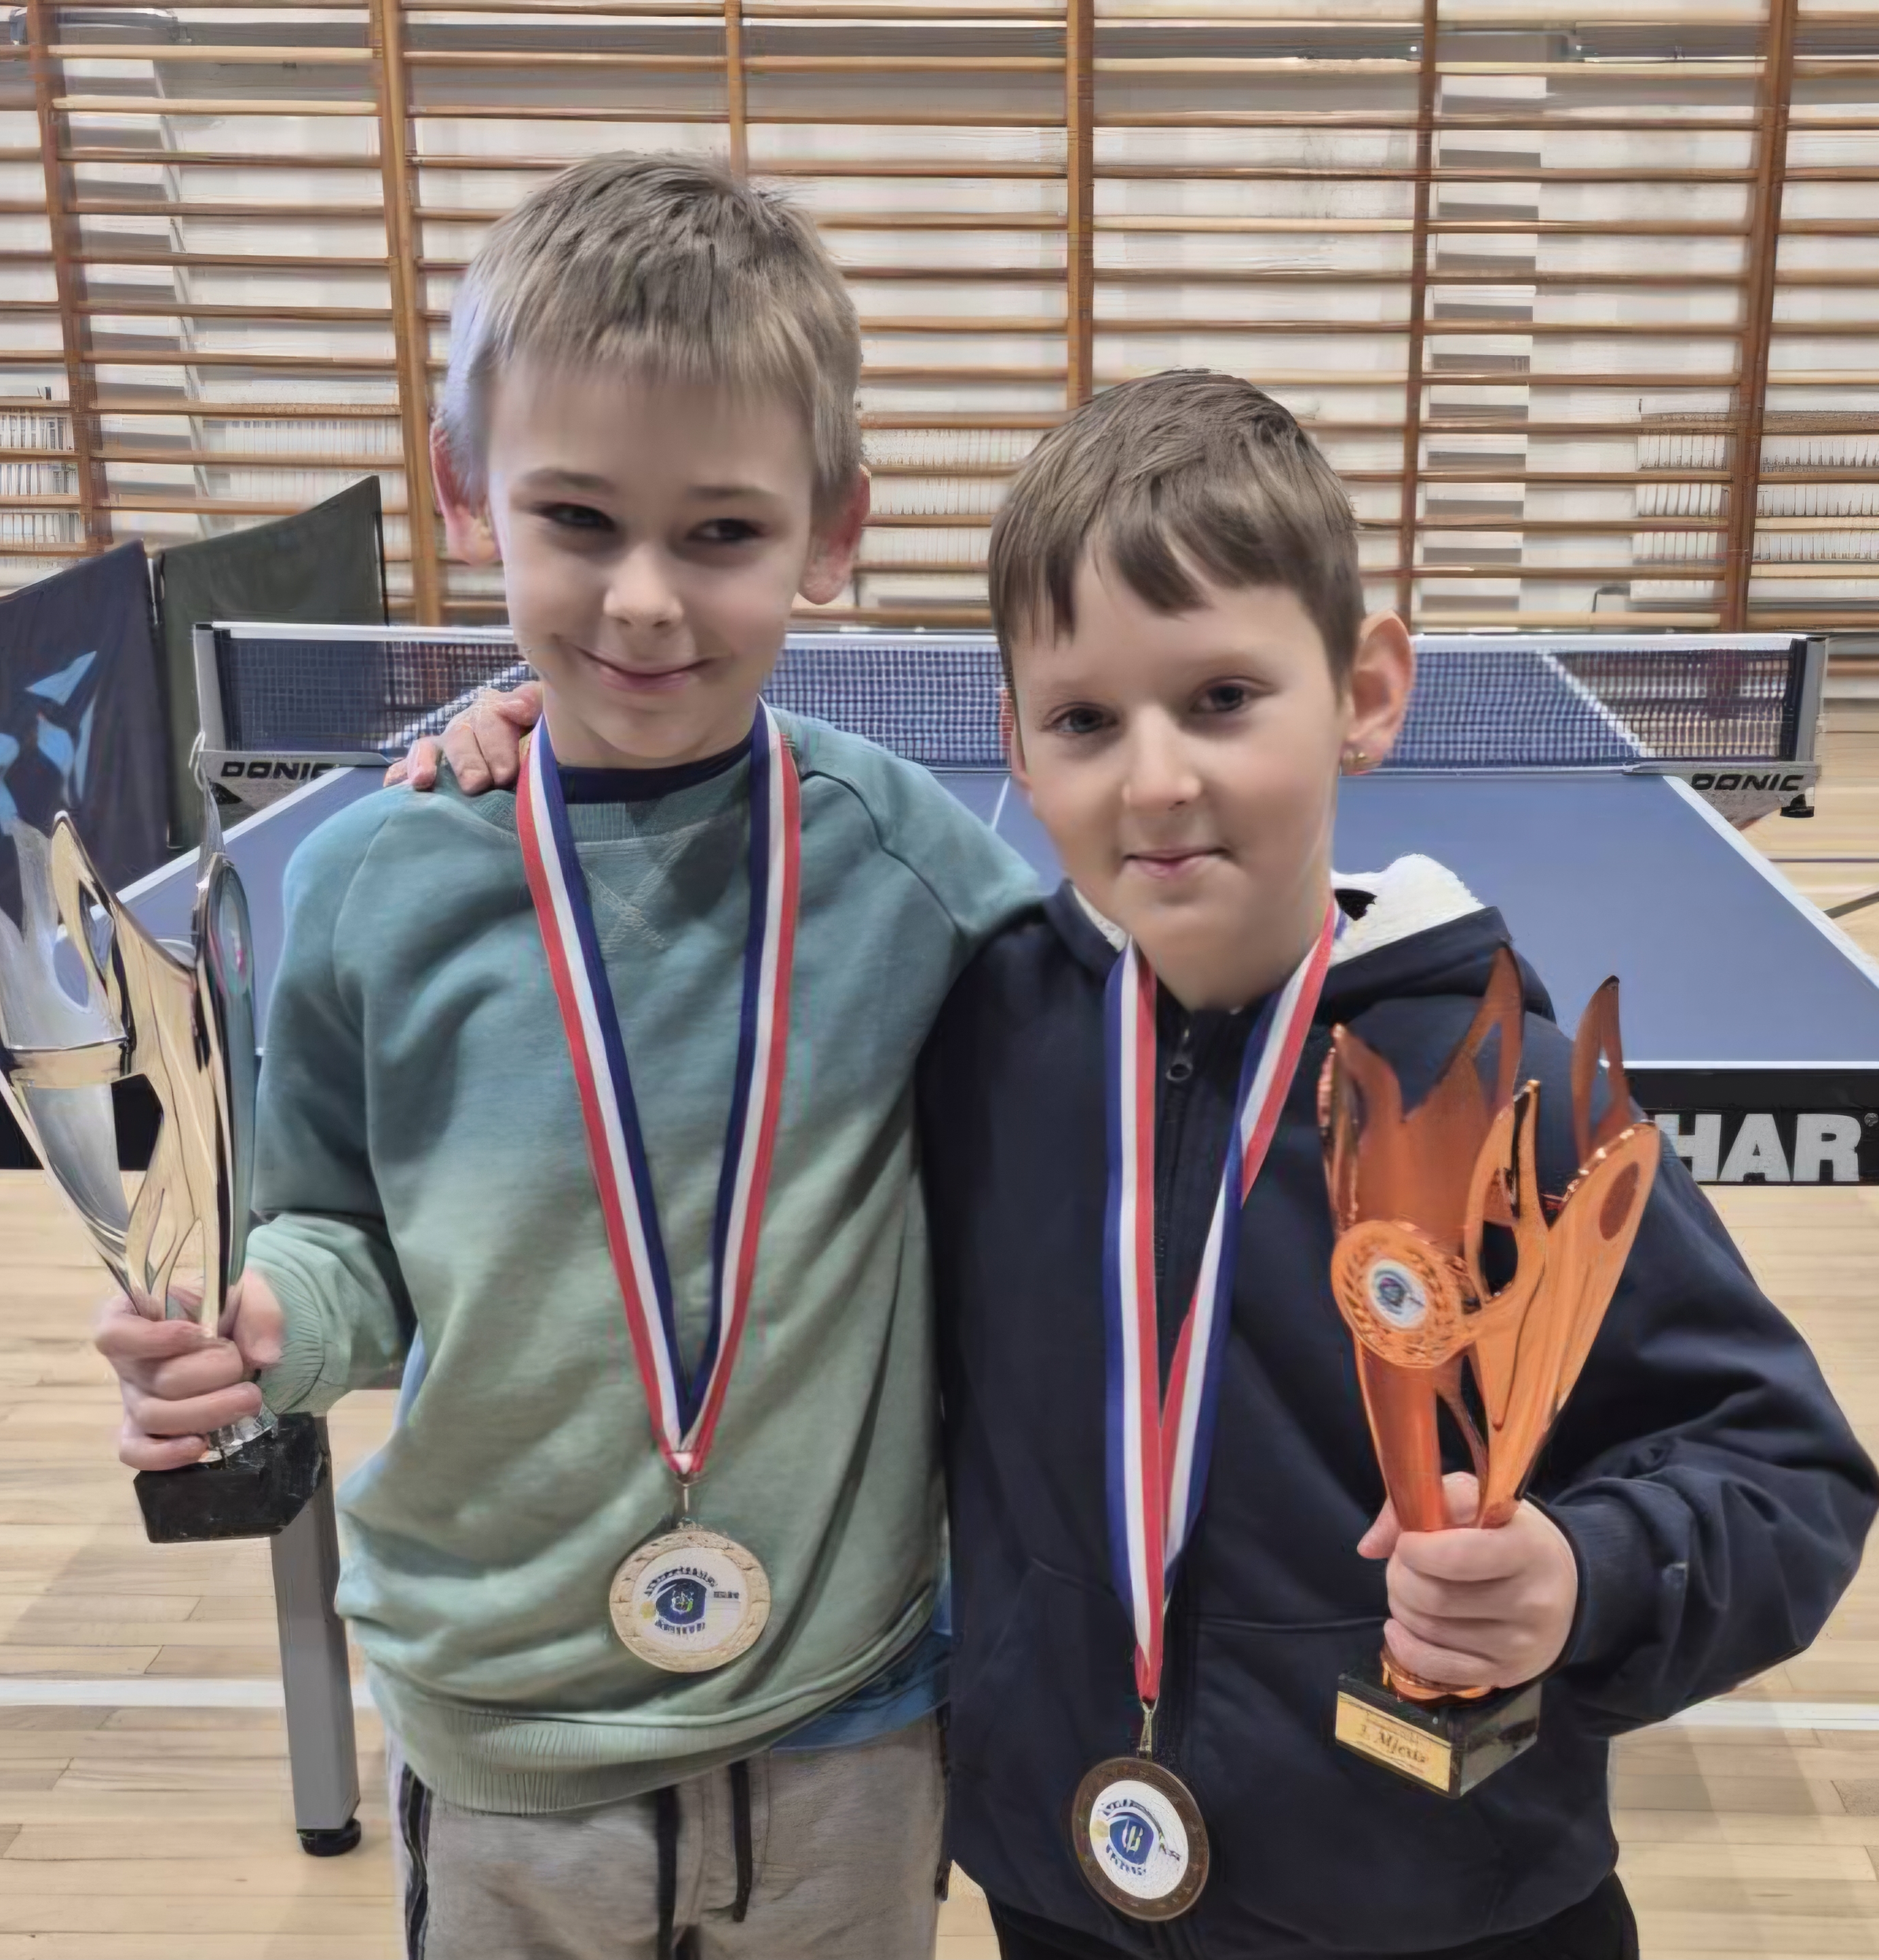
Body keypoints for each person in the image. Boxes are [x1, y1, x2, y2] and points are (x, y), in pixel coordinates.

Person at [396, 371, 1876, 1958]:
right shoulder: (977, 1025)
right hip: (1072, 1886)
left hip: (1445, 1908)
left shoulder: (1503, 1090)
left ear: (1367, 693)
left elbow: (1777, 1467)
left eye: (1222, 697)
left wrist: (1584, 1576)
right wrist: (584, 756)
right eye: (1086, 720)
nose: (1156, 779)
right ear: (1018, 750)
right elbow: (705, 1015)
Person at [92, 153, 1038, 1960]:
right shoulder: (376, 884)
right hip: (500, 1724)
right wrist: (263, 1324)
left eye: (722, 532)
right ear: (470, 497)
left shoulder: (915, 873)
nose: (645, 602)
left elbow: (1124, 1097)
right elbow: (333, 1230)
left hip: (839, 1712)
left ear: (831, 528)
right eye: (580, 521)